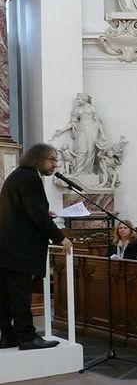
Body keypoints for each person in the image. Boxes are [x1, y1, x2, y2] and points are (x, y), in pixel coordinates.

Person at [0, 143, 73, 350]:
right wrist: (60, 238)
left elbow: (24, 209)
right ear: (37, 159)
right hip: (19, 250)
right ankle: (27, 337)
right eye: (51, 159)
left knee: (5, 295)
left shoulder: (17, 176)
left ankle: (8, 336)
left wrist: (43, 210)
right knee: (21, 294)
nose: (54, 164)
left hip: (6, 247)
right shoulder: (30, 177)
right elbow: (36, 215)